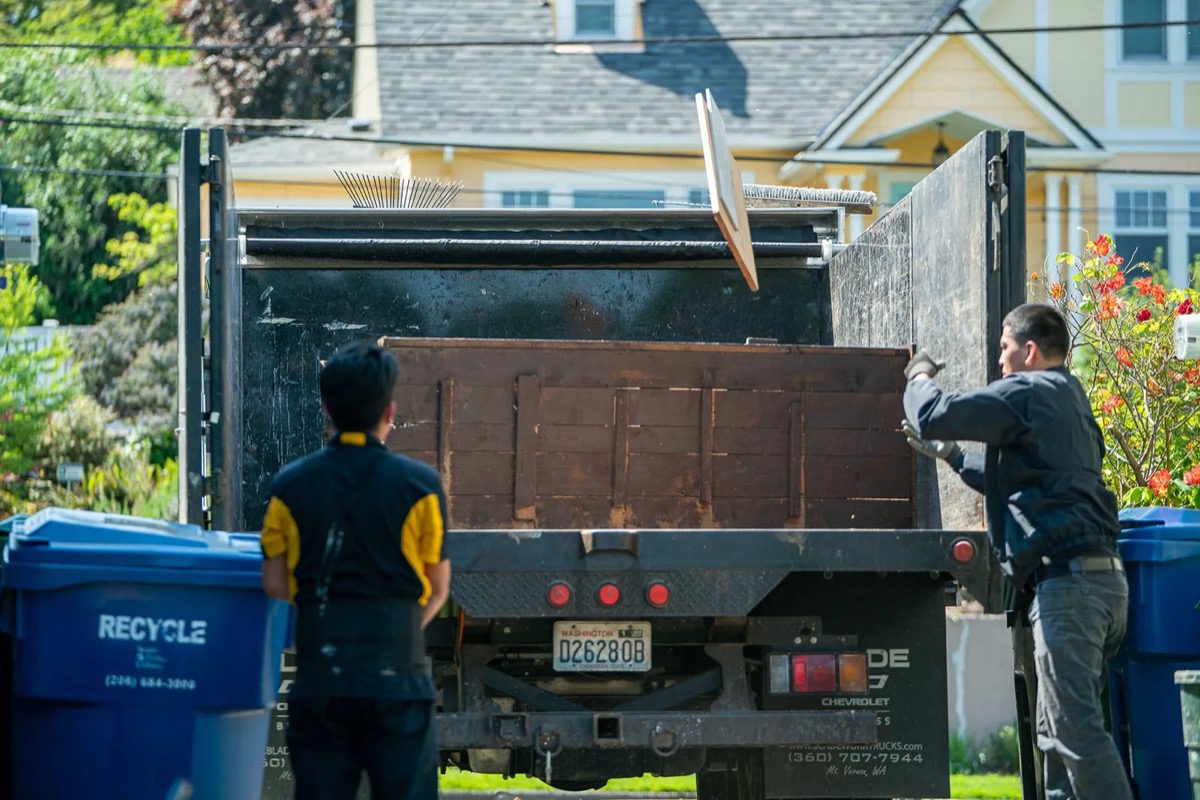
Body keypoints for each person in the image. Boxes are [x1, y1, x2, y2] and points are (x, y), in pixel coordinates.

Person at [901, 303, 1131, 800]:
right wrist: (955, 458)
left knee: (1075, 734)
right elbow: (1024, 484)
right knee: (1054, 735)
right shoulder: (1070, 399)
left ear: (1029, 351)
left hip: (1069, 591)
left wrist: (917, 375)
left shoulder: (1027, 391)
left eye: (1004, 348)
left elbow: (933, 415)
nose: (999, 360)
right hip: (1100, 587)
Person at [260, 340, 451, 800]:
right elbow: (438, 587)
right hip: (398, 680)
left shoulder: (289, 486)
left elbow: (274, 582)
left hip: (321, 680)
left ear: (327, 410)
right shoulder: (422, 487)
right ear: (389, 412)